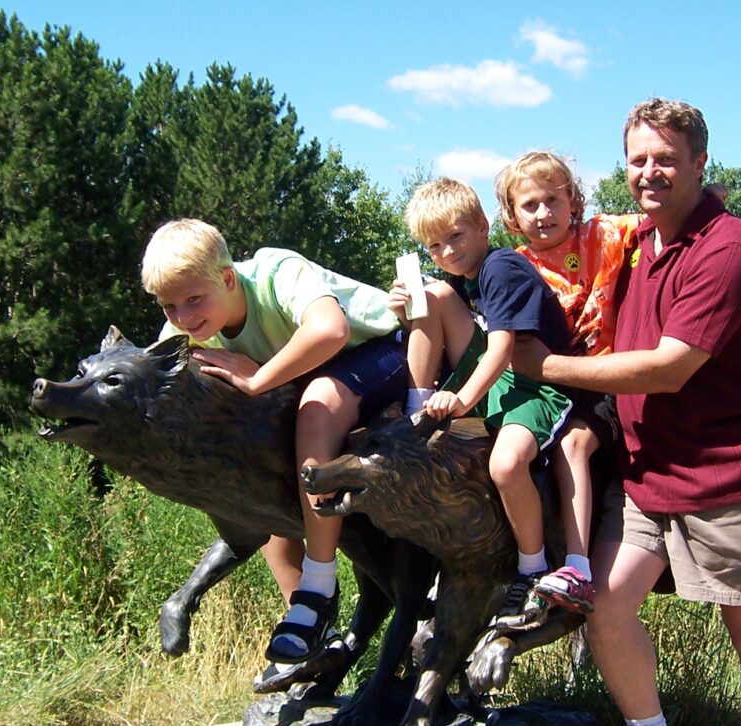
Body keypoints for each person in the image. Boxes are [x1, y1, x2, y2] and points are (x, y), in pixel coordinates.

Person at [511, 99, 741, 726]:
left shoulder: (727, 249)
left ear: (700, 162)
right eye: (638, 158)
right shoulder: (634, 240)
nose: (649, 172)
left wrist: (545, 368)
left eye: (666, 158)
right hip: (643, 473)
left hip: (723, 473)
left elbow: (671, 367)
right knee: (605, 607)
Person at [141, 219, 407, 665]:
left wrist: (257, 379)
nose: (184, 318)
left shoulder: (275, 271)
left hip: (382, 352)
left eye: (193, 300)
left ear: (226, 278)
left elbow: (330, 331)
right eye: (170, 308)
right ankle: (305, 633)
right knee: (264, 483)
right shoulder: (189, 332)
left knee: (316, 406)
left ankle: (318, 589)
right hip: (316, 379)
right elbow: (151, 375)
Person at [389, 178, 573, 623]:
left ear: (482, 227)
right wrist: (405, 311)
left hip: (538, 385)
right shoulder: (465, 279)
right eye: (435, 246)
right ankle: (418, 407)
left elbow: (503, 346)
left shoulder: (500, 268)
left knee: (506, 464)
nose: (448, 252)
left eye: (455, 237)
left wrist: (463, 398)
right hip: (501, 380)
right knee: (429, 295)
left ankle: (531, 570)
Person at [494, 151, 641, 615]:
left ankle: (576, 566)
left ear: (573, 201)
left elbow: (659, 218)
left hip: (606, 379)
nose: (543, 214)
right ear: (512, 217)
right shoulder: (517, 267)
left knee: (572, 445)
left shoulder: (603, 234)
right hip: (552, 387)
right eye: (530, 205)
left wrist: (709, 199)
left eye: (552, 201)